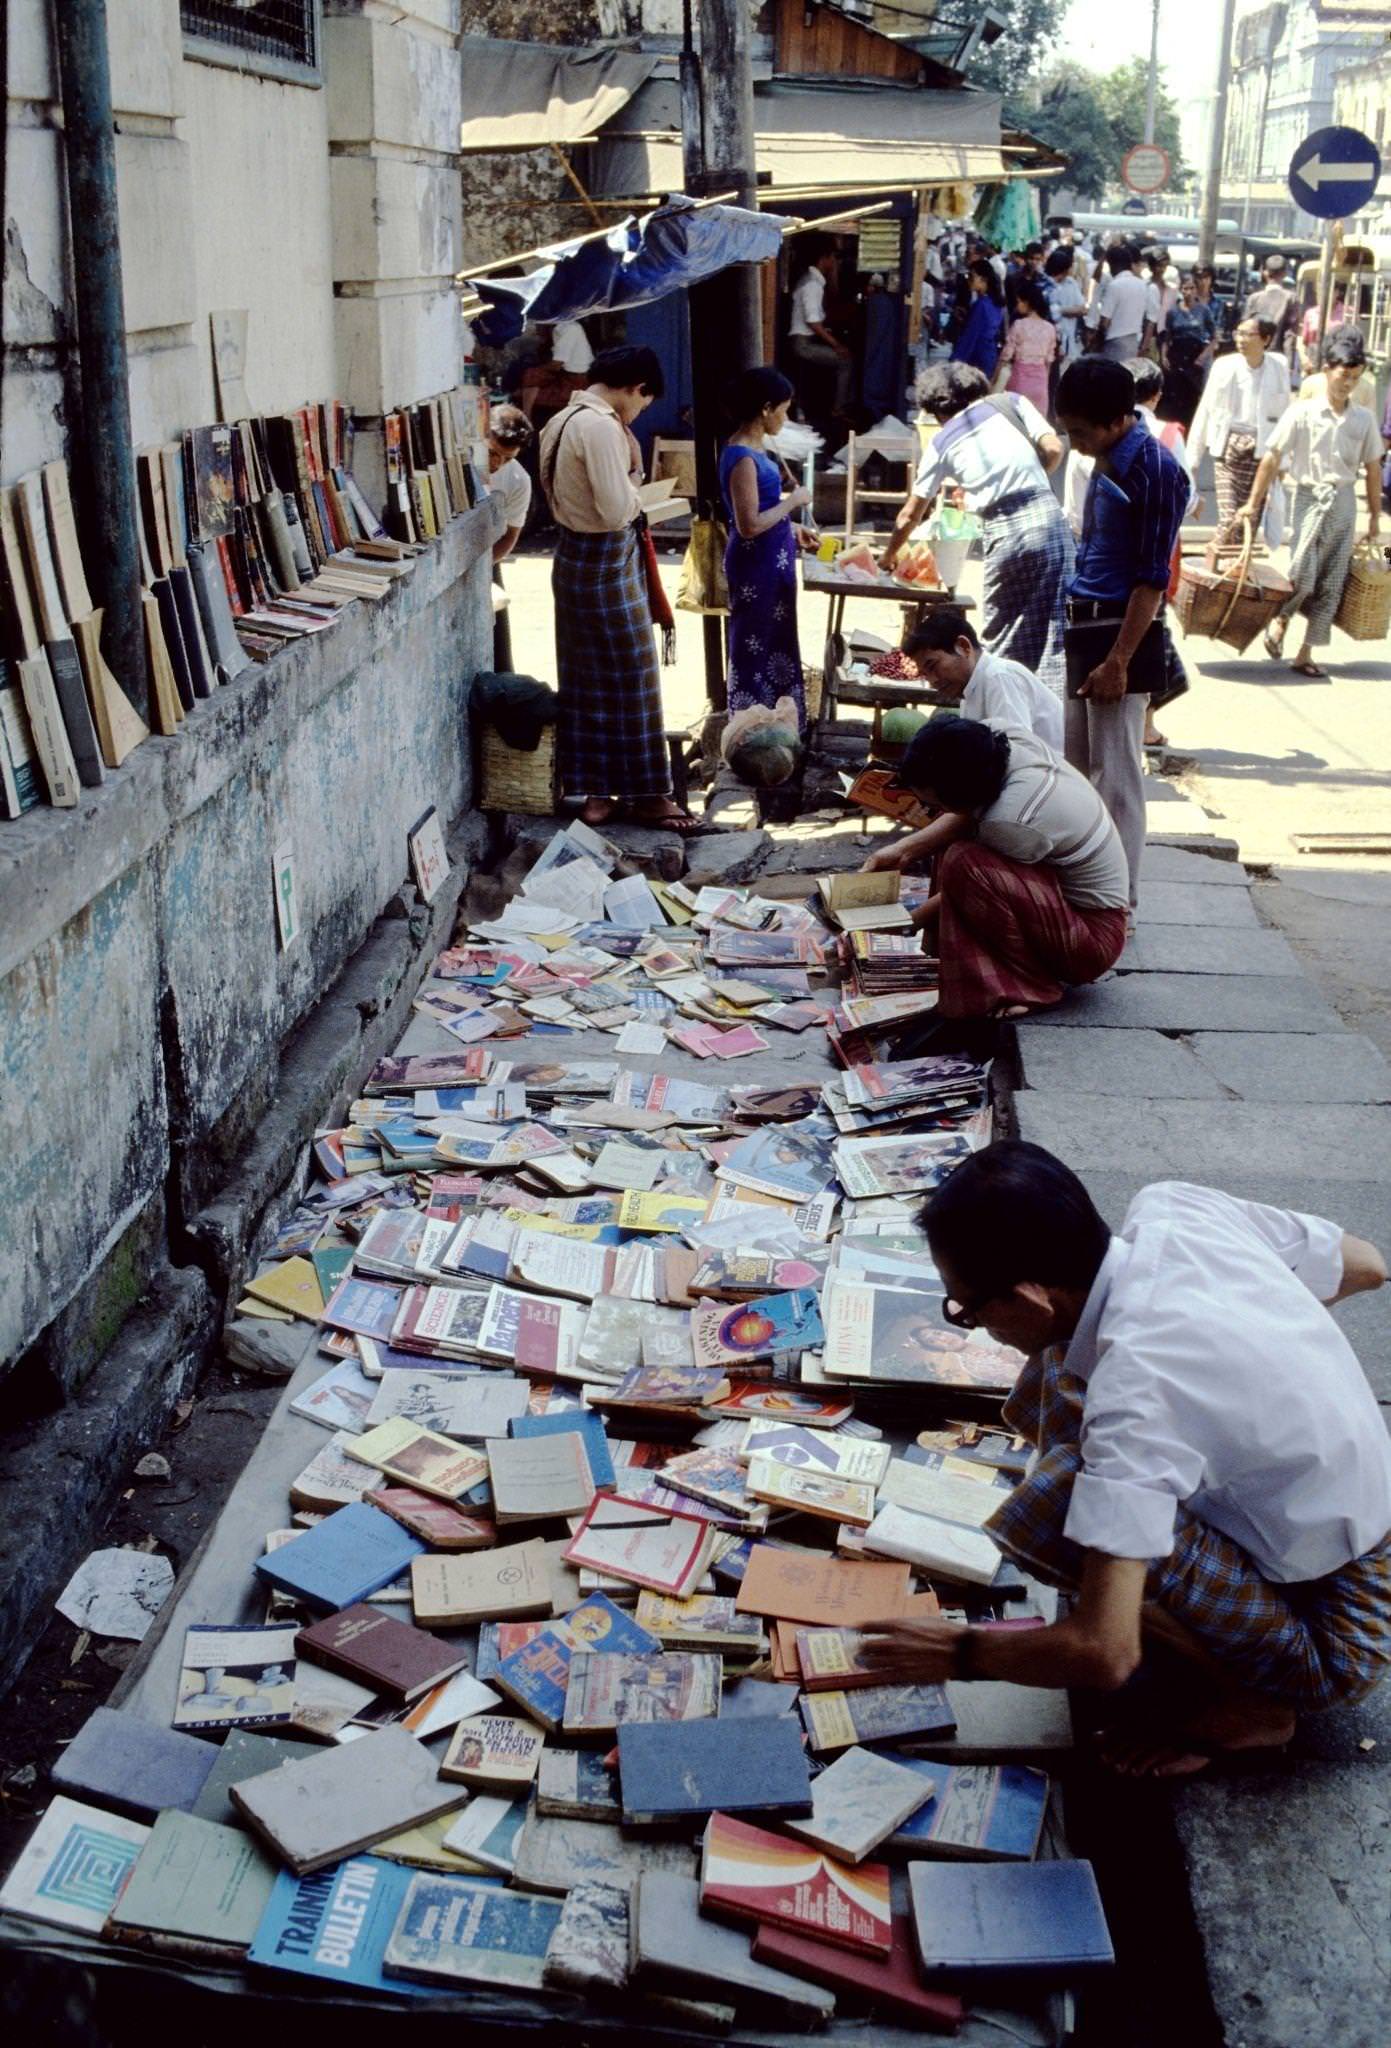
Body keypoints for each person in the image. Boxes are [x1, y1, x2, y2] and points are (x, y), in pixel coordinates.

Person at [860, 1141, 1391, 1777]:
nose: (974, 1326)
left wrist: (965, 1651)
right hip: (1348, 1523)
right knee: (1066, 1376)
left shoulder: (1137, 1400)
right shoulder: (1178, 1212)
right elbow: (1367, 1264)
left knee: (1064, 1502)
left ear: (1030, 1299)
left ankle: (1249, 1708)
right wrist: (1250, 1350)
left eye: (969, 1311)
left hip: (1337, 1630)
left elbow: (1102, 1652)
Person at [869, 716, 1128, 1019]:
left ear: (964, 794)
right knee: (954, 847)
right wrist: (902, 851)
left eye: (938, 803)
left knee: (963, 861)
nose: (937, 812)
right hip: (1069, 909)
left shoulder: (1009, 820)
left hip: (1092, 941)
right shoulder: (998, 736)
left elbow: (967, 884)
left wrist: (906, 921)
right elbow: (961, 818)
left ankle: (1033, 987)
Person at [539, 345, 694, 832]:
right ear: (635, 388)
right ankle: (648, 794)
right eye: (644, 402)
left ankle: (596, 793)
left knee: (585, 678)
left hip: (573, 559)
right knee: (632, 675)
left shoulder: (561, 420)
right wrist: (641, 499)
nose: (641, 410)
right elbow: (612, 510)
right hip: (603, 557)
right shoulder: (600, 427)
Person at [1054, 357, 1189, 906]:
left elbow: (1152, 579)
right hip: (1086, 625)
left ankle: (1118, 901)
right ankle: (1084, 887)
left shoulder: (1155, 470)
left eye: (1082, 433)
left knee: (1118, 778)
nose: (1075, 444)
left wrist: (1119, 661)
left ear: (1115, 421)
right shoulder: (1105, 459)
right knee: (1079, 770)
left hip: (1119, 634)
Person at [884, 361, 1073, 693]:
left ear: (936, 410)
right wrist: (1031, 480)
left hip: (1005, 529)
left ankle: (997, 721)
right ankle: (1051, 726)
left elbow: (908, 516)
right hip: (1051, 519)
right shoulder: (1012, 402)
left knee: (1001, 633)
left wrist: (888, 556)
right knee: (1055, 629)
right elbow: (1054, 447)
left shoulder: (942, 440)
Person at [1239, 329, 1383, 677]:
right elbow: (1272, 458)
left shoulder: (1363, 420)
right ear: (1326, 371)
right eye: (1341, 374)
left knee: (1332, 582)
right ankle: (1282, 618)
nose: (1347, 383)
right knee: (1302, 573)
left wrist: (1376, 518)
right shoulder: (1301, 413)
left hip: (1344, 504)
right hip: (1307, 498)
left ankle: (1305, 653)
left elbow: (1373, 468)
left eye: (1353, 376)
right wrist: (1252, 503)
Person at [718, 366, 815, 731]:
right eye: (783, 410)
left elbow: (761, 515)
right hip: (755, 567)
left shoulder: (753, 451)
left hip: (771, 561)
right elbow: (749, 524)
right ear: (765, 408)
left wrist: (793, 529)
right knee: (753, 646)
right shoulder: (742, 456)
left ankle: (778, 726)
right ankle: (749, 731)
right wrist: (794, 502)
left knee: (775, 641)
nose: (784, 418)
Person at [891, 610, 1064, 752]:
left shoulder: (999, 677)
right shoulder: (970, 688)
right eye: (925, 674)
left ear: (964, 647)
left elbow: (1016, 753)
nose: (932, 681)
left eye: (933, 666)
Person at [1186, 315, 1292, 541]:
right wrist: (1193, 459)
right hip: (1228, 448)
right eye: (1238, 333)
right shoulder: (1223, 366)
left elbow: (1284, 415)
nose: (1241, 339)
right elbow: (1206, 409)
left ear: (1266, 339)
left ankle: (1236, 571)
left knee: (1248, 522)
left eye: (1248, 334)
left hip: (1262, 453)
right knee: (1228, 518)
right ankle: (1219, 567)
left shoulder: (1278, 366)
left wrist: (1282, 464)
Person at [483, 404, 534, 671]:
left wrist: (483, 567)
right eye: (492, 453)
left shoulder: (518, 480)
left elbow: (510, 536)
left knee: (496, 642)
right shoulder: (463, 455)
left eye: (506, 458)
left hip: (488, 558)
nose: (496, 464)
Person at [787, 237, 852, 420]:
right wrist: (836, 345)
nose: (834, 263)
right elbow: (813, 322)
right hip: (802, 344)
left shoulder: (813, 281)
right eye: (833, 258)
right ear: (824, 259)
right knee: (845, 361)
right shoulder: (812, 285)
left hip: (805, 341)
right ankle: (838, 409)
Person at [1160, 272, 1219, 428]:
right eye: (1185, 288)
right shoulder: (1172, 312)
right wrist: (1163, 355)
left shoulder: (1203, 310)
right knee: (1173, 398)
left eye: (1192, 288)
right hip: (1176, 355)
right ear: (1180, 290)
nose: (1189, 292)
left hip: (1194, 357)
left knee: (1191, 397)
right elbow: (1167, 337)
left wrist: (1202, 357)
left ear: (1196, 289)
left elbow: (1214, 337)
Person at [993, 278, 1057, 415]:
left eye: (1019, 302)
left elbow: (1005, 357)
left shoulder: (1019, 325)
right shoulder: (1050, 328)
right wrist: (1044, 384)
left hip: (1020, 381)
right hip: (1040, 384)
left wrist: (994, 380)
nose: (1017, 306)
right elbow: (1049, 363)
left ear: (1027, 302)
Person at [1093, 243, 1149, 362]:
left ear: (1113, 265)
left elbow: (1105, 322)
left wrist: (1096, 344)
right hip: (1134, 341)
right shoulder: (1142, 285)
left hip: (1115, 342)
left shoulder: (1114, 285)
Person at [952, 258, 1007, 380]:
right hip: (989, 355)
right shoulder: (996, 303)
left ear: (983, 279)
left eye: (971, 276)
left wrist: (955, 361)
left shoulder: (981, 305)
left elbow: (970, 337)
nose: (968, 280)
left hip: (977, 357)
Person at [1045, 245, 1087, 364]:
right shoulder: (1044, 285)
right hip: (1047, 341)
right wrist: (1070, 311)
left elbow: (1083, 309)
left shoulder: (1071, 283)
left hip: (1068, 340)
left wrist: (1060, 310)